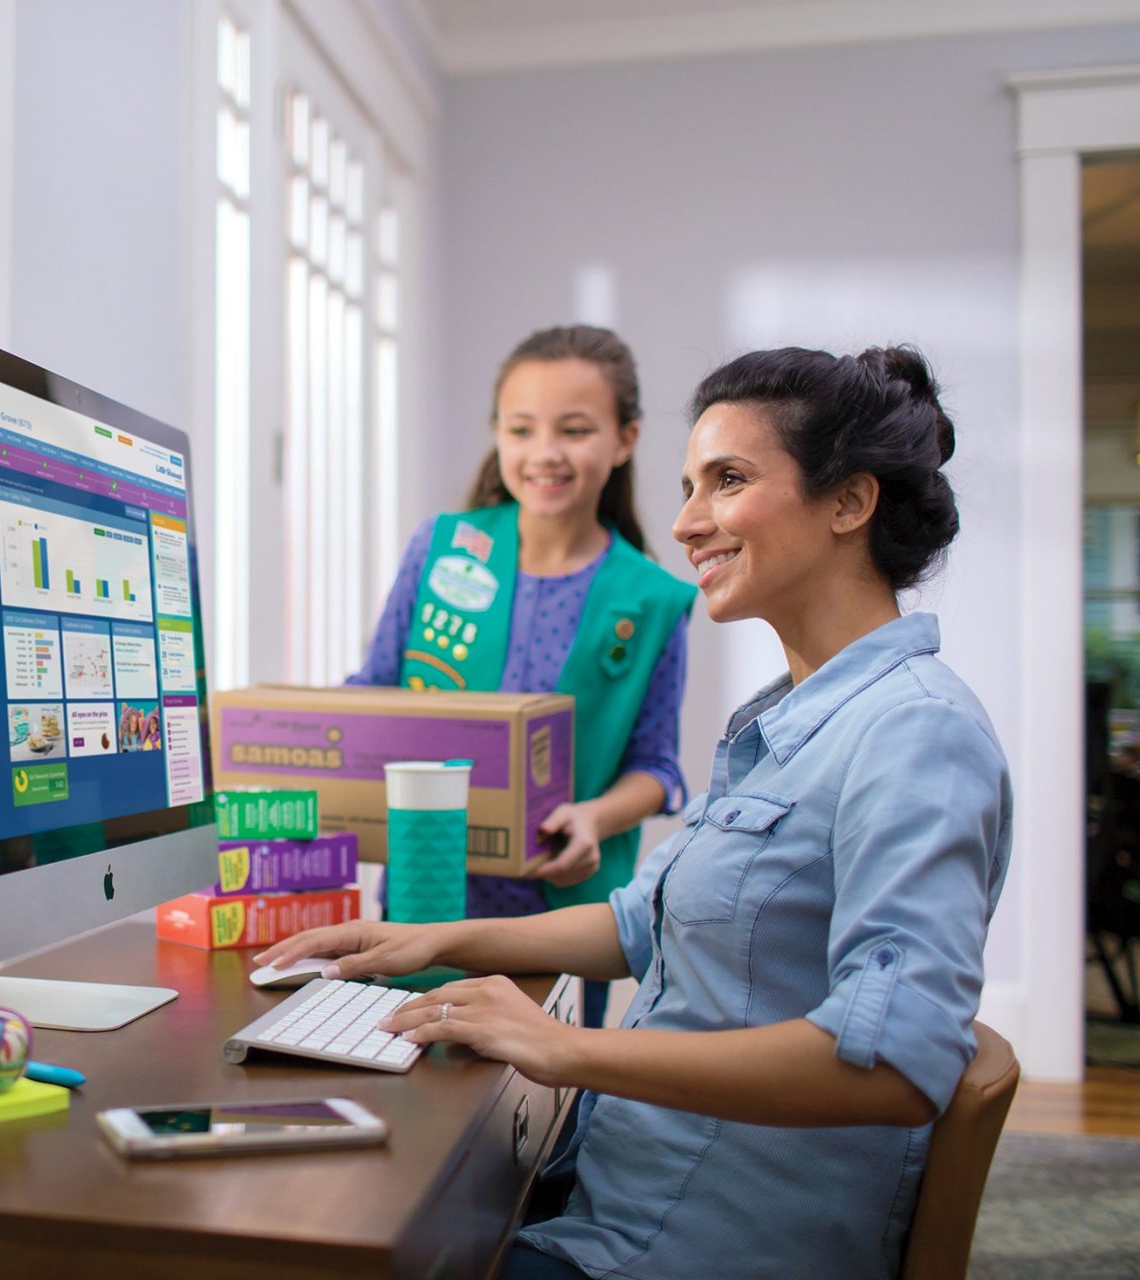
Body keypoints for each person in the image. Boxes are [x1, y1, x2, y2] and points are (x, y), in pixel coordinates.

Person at [261, 345, 1012, 1279]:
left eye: (727, 482)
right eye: (691, 486)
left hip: (690, 1243)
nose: (688, 522)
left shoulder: (916, 737)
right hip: (619, 1189)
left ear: (849, 504)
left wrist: (560, 1047)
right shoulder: (786, 722)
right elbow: (641, 922)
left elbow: (898, 1065)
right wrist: (424, 936)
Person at [348, 325, 695, 1026]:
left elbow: (657, 768)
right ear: (497, 434)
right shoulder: (441, 549)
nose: (545, 453)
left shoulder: (653, 599)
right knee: (412, 1075)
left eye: (574, 430)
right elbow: (372, 693)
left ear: (625, 439)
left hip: (563, 918)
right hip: (424, 890)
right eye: (521, 428)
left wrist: (594, 818)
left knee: (536, 1108)